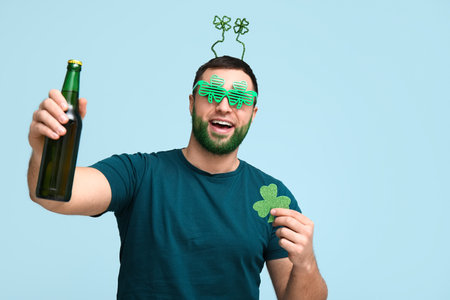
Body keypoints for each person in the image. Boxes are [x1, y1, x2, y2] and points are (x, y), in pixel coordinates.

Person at [27, 56, 328, 299]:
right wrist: (44, 152)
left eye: (238, 97)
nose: (223, 106)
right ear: (191, 102)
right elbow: (53, 196)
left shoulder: (272, 197)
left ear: (252, 112)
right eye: (211, 93)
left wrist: (306, 262)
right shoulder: (140, 173)